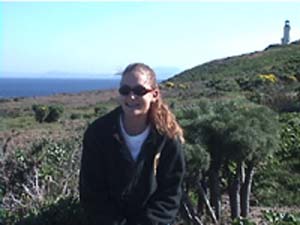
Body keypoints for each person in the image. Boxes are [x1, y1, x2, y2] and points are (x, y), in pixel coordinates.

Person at [79, 62, 185, 225]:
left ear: (154, 94)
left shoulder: (167, 137)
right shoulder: (98, 133)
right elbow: (92, 193)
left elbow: (170, 193)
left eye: (139, 91)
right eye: (125, 90)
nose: (131, 96)